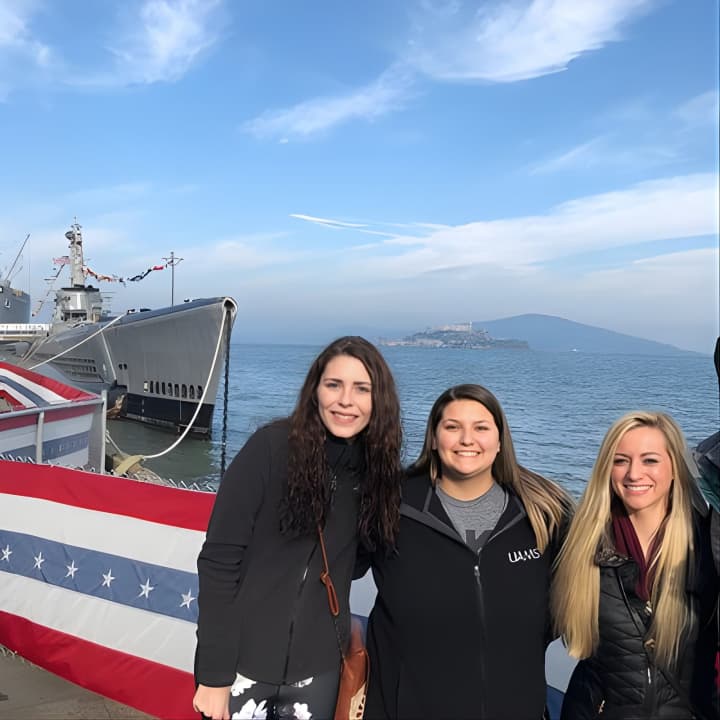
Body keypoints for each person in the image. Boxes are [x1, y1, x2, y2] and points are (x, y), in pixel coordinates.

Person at [193, 336, 403, 720]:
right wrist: (213, 674)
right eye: (333, 385)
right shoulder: (270, 449)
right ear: (315, 391)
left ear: (379, 400)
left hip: (320, 670)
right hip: (240, 665)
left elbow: (357, 565)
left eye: (361, 389)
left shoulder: (376, 475)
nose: (345, 400)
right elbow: (219, 561)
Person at [358, 383, 574, 720]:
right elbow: (330, 565)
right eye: (452, 427)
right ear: (433, 438)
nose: (466, 439)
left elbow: (577, 604)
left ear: (500, 441)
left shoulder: (543, 513)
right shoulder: (389, 506)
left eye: (481, 428)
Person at [552, 411, 719, 720]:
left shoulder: (708, 544)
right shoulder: (580, 542)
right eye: (620, 461)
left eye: (650, 460)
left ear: (674, 468)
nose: (633, 474)